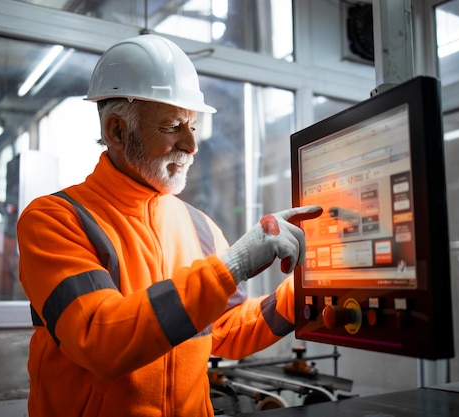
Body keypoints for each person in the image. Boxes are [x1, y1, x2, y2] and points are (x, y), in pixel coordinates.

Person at [17, 33, 322, 417]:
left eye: (193, 126)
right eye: (173, 126)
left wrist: (310, 290)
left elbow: (225, 330)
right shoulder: (56, 220)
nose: (192, 146)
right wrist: (234, 265)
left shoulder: (199, 226)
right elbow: (100, 338)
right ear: (116, 131)